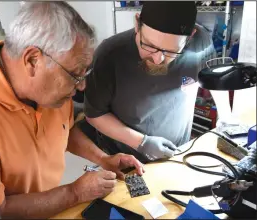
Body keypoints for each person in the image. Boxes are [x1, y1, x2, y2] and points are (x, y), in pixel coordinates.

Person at [0, 2, 145, 219]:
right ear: (32, 60)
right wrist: (74, 193)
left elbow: (62, 131)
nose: (82, 86)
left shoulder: (50, 90)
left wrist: (104, 159)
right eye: (75, 74)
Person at [83, 1, 231, 163]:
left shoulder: (201, 43)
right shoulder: (109, 54)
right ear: (137, 24)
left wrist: (226, 117)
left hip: (178, 153)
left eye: (171, 51)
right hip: (125, 160)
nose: (158, 59)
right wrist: (141, 142)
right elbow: (94, 114)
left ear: (190, 37)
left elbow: (215, 80)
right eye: (149, 45)